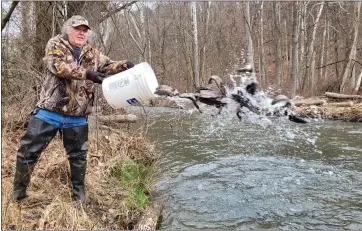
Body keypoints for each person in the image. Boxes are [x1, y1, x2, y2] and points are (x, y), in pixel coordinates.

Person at [12, 15, 134, 204]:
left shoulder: (92, 52)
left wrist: (124, 65)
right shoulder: (55, 44)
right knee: (27, 153)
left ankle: (79, 198)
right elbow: (58, 67)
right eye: (78, 29)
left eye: (85, 30)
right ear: (68, 29)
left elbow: (108, 64)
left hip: (77, 116)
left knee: (78, 158)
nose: (82, 33)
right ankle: (18, 196)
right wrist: (87, 73)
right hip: (49, 111)